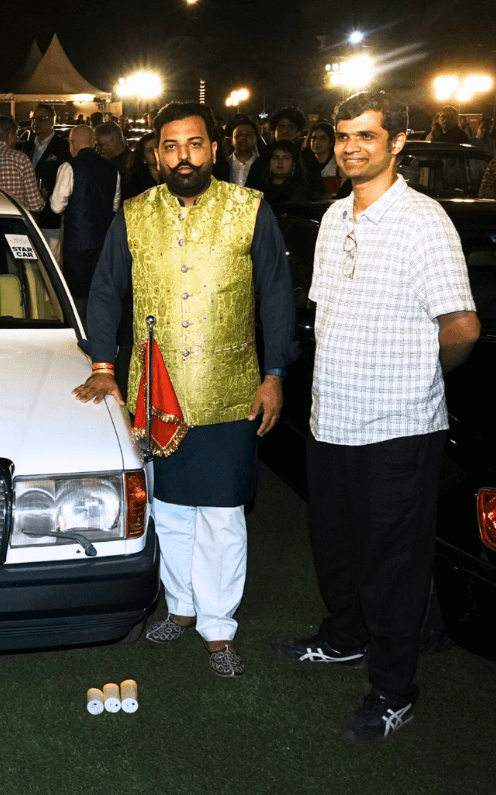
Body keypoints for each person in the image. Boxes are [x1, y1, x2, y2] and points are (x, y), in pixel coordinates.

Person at [278, 91, 480, 742]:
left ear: (398, 142)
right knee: (335, 544)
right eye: (342, 135)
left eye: (366, 134)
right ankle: (344, 637)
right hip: (330, 419)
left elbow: (462, 326)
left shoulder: (424, 221)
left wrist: (421, 375)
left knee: (392, 563)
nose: (351, 145)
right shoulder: (337, 216)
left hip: (397, 427)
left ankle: (394, 690)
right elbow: (328, 314)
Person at [74, 101, 298, 678]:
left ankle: (219, 629)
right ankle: (182, 608)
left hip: (230, 389)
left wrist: (275, 376)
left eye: (194, 145)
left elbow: (276, 296)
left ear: (214, 148)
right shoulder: (134, 213)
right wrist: (103, 363)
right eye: (171, 147)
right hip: (158, 392)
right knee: (170, 510)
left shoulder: (250, 210)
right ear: (157, 154)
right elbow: (104, 292)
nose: (183, 157)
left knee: (222, 515)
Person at [48, 125, 119, 304]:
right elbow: (115, 205)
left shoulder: (69, 166)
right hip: (104, 240)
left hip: (76, 241)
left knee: (77, 294)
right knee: (99, 292)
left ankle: (80, 328)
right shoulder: (112, 168)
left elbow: (56, 206)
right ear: (94, 143)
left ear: (71, 144)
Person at [18, 104, 72, 259]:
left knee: (50, 259)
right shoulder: (27, 146)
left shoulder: (62, 146)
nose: (36, 123)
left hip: (51, 214)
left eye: (41, 119)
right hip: (29, 212)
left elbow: (67, 177)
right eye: (34, 119)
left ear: (52, 121)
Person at [261, 139, 311, 205]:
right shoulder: (259, 188)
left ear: (294, 164)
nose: (280, 162)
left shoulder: (300, 191)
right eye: (275, 157)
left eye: (286, 158)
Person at [301, 121, 339, 197]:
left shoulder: (337, 165)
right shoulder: (303, 163)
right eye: (314, 138)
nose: (316, 142)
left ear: (331, 142)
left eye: (323, 138)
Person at [94, 121, 133, 188]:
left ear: (115, 140)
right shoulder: (131, 159)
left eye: (101, 145)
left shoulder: (133, 163)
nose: (98, 149)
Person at [123, 130, 160, 200]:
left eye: (157, 147)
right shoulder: (136, 181)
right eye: (149, 150)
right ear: (144, 157)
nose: (155, 152)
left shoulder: (173, 176)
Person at [225, 118, 261, 187]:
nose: (243, 138)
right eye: (238, 135)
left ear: (255, 139)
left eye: (248, 135)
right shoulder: (222, 166)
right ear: (232, 141)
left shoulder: (263, 167)